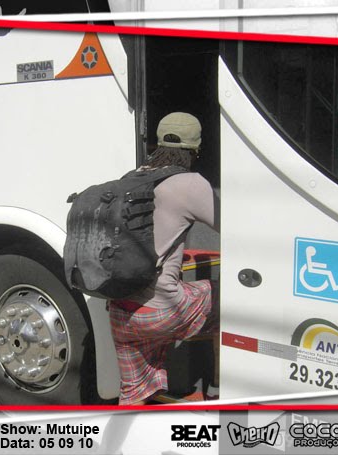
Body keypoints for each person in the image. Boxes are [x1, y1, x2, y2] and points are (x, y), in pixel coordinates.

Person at [108, 112, 220, 406]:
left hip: (120, 314)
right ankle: (217, 390)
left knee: (132, 396)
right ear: (195, 150)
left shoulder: (130, 178)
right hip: (161, 312)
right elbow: (233, 228)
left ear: (157, 145)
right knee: (227, 299)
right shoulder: (189, 182)